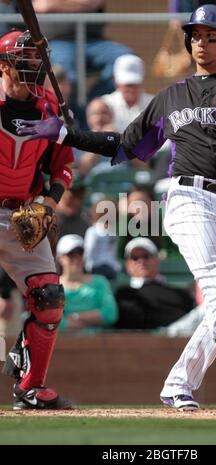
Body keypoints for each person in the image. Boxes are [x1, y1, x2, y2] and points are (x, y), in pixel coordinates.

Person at [17, 4, 216, 410]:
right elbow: (125, 144)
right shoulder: (172, 96)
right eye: (195, 35)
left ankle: (178, 385)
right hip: (190, 197)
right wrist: (67, 135)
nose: (201, 42)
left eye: (211, 35)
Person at [0, 29, 74, 410]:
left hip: (20, 213)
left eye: (36, 59)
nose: (33, 66)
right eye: (24, 60)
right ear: (4, 67)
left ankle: (31, 388)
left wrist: (48, 202)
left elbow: (63, 169)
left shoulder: (50, 108)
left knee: (49, 298)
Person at [32, 0, 132, 98]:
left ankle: (93, 105)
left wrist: (57, 4)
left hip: (93, 41)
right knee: (66, 72)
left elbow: (95, 2)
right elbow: (42, 5)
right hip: (58, 41)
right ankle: (74, 112)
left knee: (126, 59)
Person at [114, 238, 194, 330]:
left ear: (156, 259)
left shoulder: (180, 293)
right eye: (135, 258)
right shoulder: (124, 294)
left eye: (146, 256)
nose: (141, 261)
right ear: (128, 265)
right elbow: (132, 318)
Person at [56, 234, 118, 334]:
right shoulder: (53, 285)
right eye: (70, 253)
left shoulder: (100, 281)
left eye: (80, 252)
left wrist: (75, 317)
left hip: (98, 345)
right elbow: (53, 321)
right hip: (62, 346)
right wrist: (90, 321)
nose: (76, 257)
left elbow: (110, 314)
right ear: (60, 258)